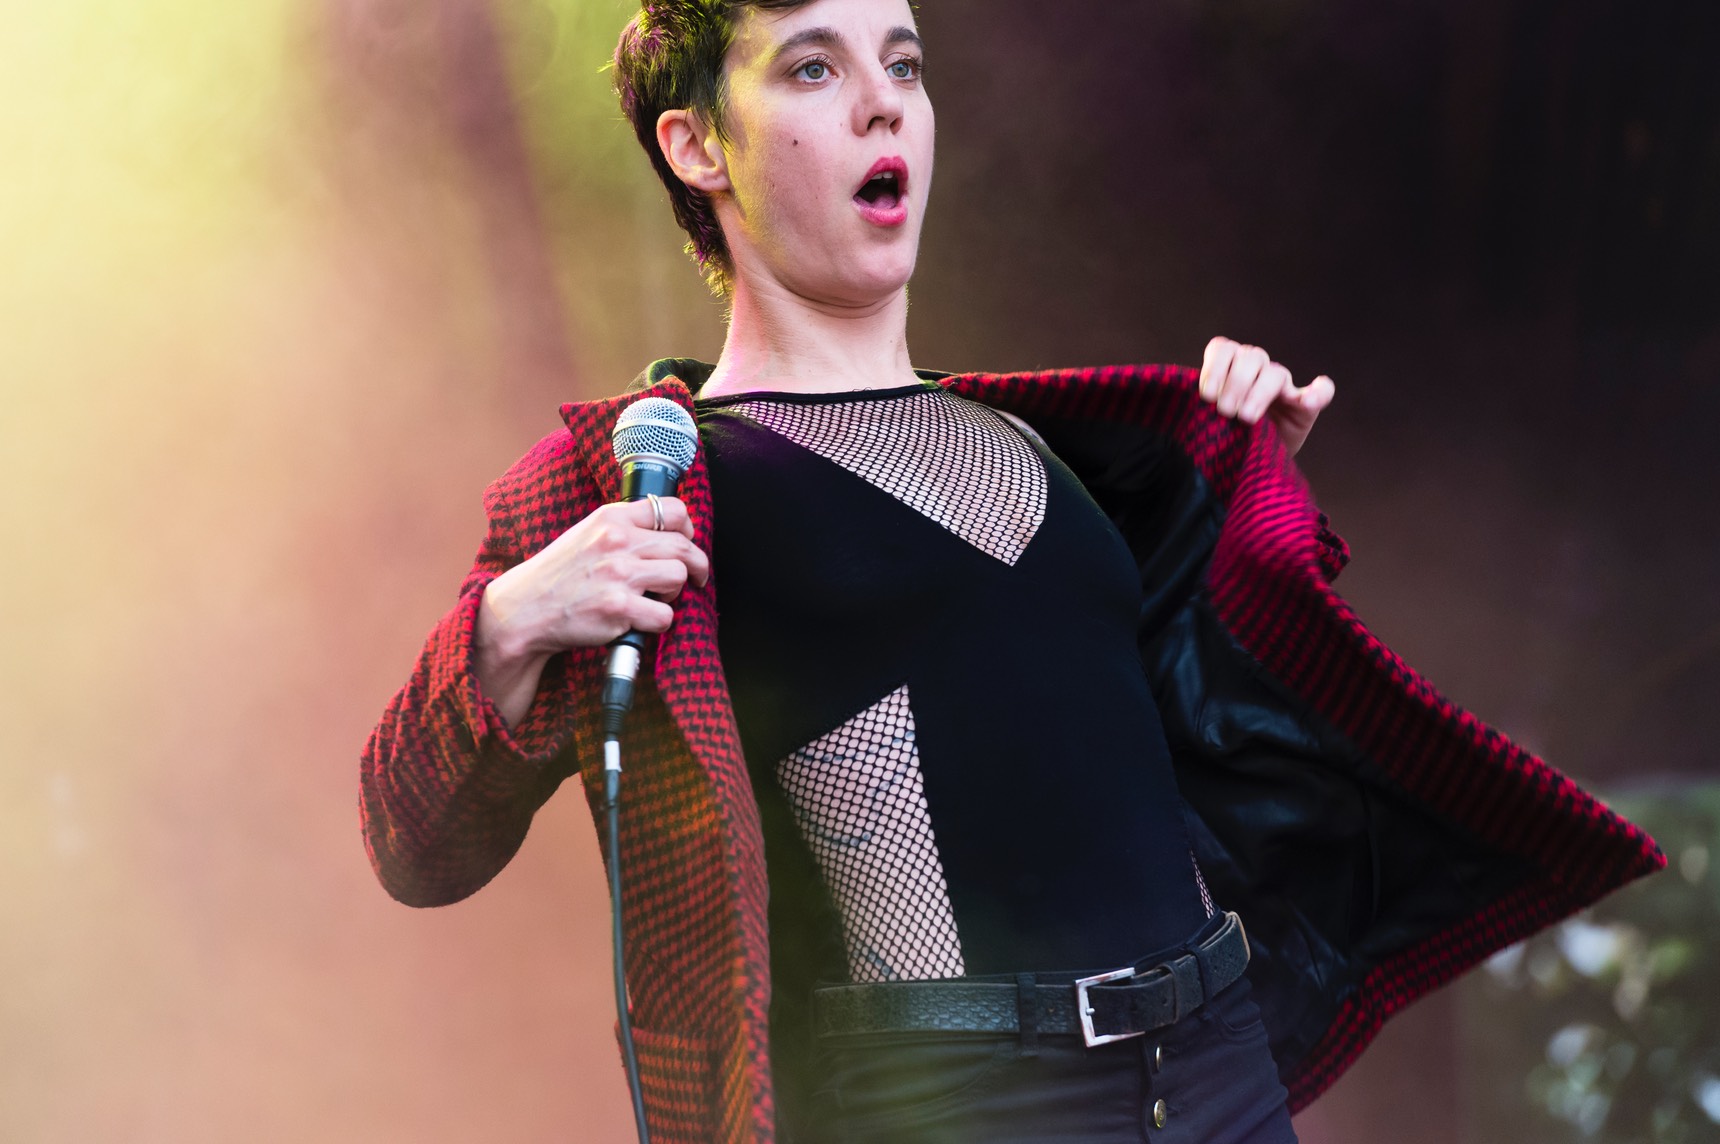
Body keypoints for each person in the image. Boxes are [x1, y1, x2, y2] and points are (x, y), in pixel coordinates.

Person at [359, 1, 1665, 1141]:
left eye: (904, 62)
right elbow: (412, 839)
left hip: (1215, 1071)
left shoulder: (1050, 440)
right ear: (698, 144)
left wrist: (1243, 483)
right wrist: (507, 625)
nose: (883, 101)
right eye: (813, 66)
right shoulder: (651, 475)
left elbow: (1177, 721)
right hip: (957, 1098)